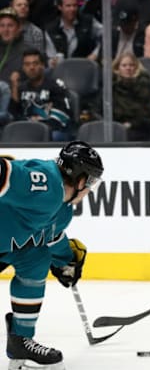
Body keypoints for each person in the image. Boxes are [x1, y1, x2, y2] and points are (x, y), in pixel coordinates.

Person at [0, 142, 104, 369]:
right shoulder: (47, 184)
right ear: (80, 179)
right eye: (91, 182)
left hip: (5, 247)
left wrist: (66, 262)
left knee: (35, 258)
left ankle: (21, 340)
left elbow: (50, 237)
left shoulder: (62, 209)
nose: (90, 190)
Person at [10, 47, 74, 142]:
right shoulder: (21, 88)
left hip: (53, 131)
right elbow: (13, 115)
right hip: (26, 131)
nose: (31, 68)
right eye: (27, 64)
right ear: (23, 68)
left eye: (35, 63)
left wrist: (38, 127)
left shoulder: (56, 86)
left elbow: (63, 117)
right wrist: (14, 87)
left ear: (43, 65)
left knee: (54, 136)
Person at [111, 52, 150, 140]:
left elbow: (148, 112)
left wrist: (131, 124)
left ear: (136, 68)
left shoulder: (146, 85)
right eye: (124, 65)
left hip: (140, 128)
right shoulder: (111, 86)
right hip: (115, 128)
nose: (128, 68)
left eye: (131, 65)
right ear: (117, 68)